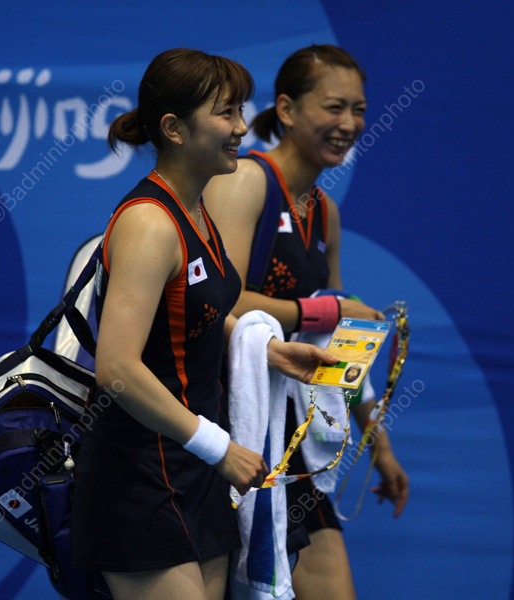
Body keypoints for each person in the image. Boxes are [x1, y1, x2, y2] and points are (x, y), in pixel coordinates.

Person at [70, 48, 341, 600]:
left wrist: (266, 350)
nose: (242, 127)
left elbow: (196, 316)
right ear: (174, 128)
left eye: (241, 111)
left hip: (196, 468)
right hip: (139, 475)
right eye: (226, 113)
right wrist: (219, 447)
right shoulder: (149, 223)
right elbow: (117, 369)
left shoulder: (198, 214)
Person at [204, 44, 409, 600]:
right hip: (228, 434)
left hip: (294, 447)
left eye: (359, 110)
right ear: (288, 110)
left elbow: (340, 347)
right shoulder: (246, 181)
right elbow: (217, 302)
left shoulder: (325, 212)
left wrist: (380, 446)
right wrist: (329, 308)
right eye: (334, 107)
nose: (350, 124)